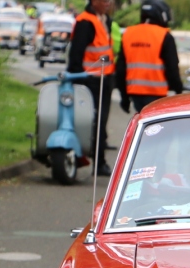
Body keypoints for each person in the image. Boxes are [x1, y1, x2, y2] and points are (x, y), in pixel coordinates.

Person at [68, 0, 115, 175]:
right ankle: (97, 161)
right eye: (104, 0)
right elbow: (76, 56)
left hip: (105, 80)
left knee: (101, 123)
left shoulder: (104, 20)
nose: (108, 3)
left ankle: (98, 161)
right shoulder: (86, 22)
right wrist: (77, 80)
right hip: (90, 81)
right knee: (95, 122)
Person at [116, 0, 183, 114]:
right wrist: (178, 90)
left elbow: (121, 69)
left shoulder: (128, 33)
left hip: (135, 93)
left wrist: (124, 97)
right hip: (157, 94)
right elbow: (172, 69)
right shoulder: (164, 36)